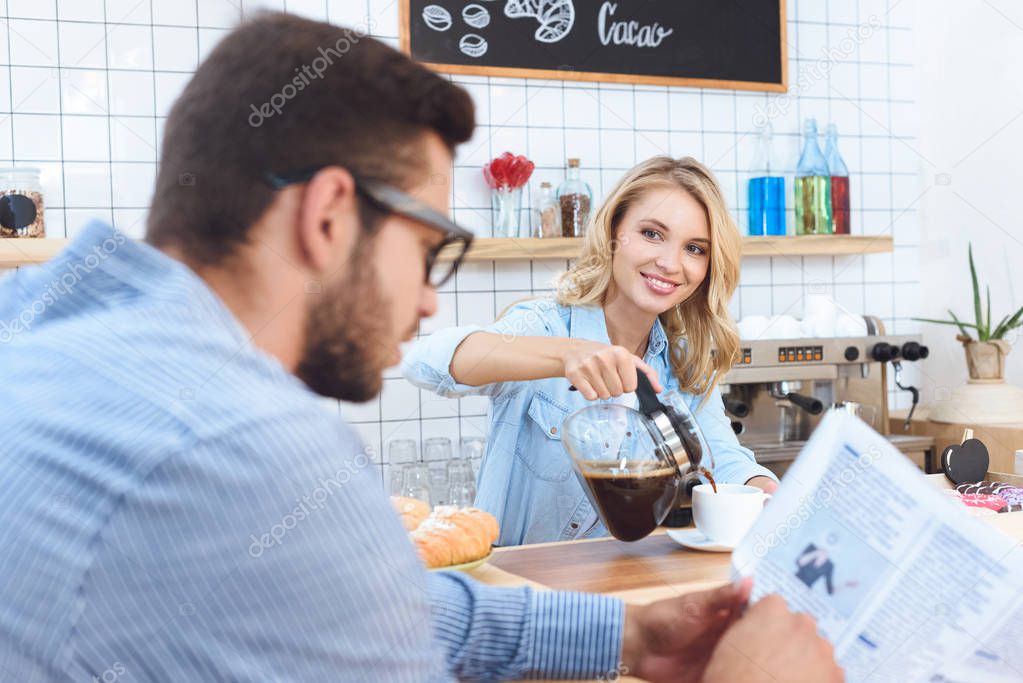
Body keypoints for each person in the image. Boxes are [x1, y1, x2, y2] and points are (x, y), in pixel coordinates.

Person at [0, 12, 841, 683]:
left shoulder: (29, 327)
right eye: (430, 247)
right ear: (328, 216)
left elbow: (358, 605)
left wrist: (623, 633)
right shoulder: (251, 449)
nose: (430, 294)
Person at [403, 156, 778, 546]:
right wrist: (566, 355)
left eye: (695, 249)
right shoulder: (544, 326)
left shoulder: (686, 360)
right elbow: (424, 363)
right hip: (514, 586)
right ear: (614, 231)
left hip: (613, 586)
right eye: (652, 234)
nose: (670, 263)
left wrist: (767, 491)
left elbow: (722, 457)